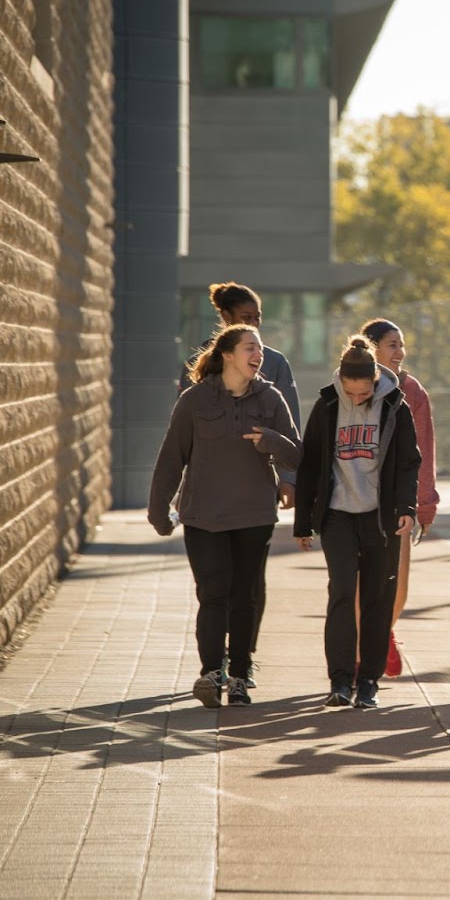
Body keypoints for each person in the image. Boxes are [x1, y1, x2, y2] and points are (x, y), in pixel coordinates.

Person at [148, 324, 301, 708]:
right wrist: (159, 510)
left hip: (254, 516)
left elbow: (297, 456)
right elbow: (172, 458)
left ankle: (240, 675)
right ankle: (211, 672)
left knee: (245, 596)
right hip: (203, 517)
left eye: (261, 350)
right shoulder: (195, 400)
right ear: (228, 354)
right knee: (213, 594)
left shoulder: (271, 398)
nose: (259, 355)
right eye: (251, 348)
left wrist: (273, 441)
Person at [181, 281, 302, 688]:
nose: (255, 327)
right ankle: (216, 661)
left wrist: (288, 479)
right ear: (227, 321)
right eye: (246, 319)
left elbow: (289, 430)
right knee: (215, 583)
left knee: (250, 583)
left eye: (258, 320)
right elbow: (185, 430)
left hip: (254, 493)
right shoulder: (202, 362)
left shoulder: (277, 365)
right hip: (211, 495)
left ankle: (241, 658)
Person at [293, 336, 421, 710]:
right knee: (342, 592)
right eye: (350, 391)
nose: (355, 398)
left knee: (378, 599)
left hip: (380, 519)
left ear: (376, 380)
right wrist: (303, 522)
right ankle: (339, 679)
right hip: (338, 516)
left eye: (363, 393)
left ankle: (368, 681)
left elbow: (409, 462)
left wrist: (407, 508)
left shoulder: (395, 406)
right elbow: (311, 463)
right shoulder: (328, 404)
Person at [360, 318, 439, 679]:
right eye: (392, 344)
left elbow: (423, 450)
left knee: (398, 583)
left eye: (401, 344)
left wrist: (425, 503)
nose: (401, 352)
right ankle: (364, 647)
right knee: (359, 581)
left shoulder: (413, 390)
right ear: (371, 347)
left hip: (397, 503)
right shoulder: (350, 386)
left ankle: (382, 632)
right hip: (354, 501)